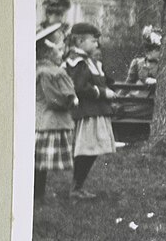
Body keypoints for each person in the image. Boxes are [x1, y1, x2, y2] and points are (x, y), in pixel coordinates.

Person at [63, 22, 116, 200]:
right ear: (79, 41)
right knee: (86, 150)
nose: (96, 45)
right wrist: (103, 92)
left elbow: (104, 79)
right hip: (87, 113)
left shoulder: (90, 61)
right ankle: (76, 187)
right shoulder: (76, 61)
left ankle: (78, 186)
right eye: (93, 41)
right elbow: (80, 87)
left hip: (95, 112)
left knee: (92, 150)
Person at [34, 23, 75, 203]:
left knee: (39, 164)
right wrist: (70, 101)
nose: (62, 54)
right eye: (58, 51)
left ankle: (38, 194)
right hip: (47, 123)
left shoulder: (41, 70)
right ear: (48, 53)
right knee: (38, 164)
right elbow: (53, 99)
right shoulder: (49, 72)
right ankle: (37, 195)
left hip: (42, 121)